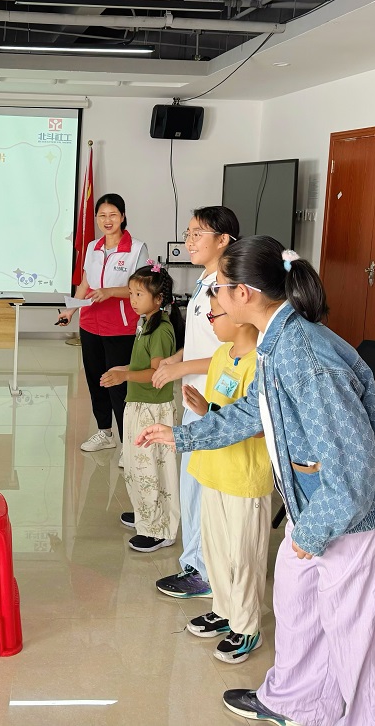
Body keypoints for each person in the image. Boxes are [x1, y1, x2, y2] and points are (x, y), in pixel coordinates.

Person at [136, 236, 375, 725]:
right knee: (298, 605)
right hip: (319, 503)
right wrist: (183, 436)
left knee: (364, 641)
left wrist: (311, 534)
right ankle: (298, 702)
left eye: (218, 288)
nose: (211, 298)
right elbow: (255, 410)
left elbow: (353, 472)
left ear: (244, 294)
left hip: (366, 512)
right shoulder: (276, 341)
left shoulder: (305, 355)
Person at [150, 206, 240, 599]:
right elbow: (203, 340)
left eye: (198, 234)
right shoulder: (206, 282)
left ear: (223, 240)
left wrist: (181, 367)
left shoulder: (228, 285)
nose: (189, 241)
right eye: (188, 233)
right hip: (196, 395)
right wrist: (176, 359)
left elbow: (232, 349)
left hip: (214, 398)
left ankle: (202, 572)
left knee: (201, 487)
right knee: (192, 485)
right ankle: (195, 563)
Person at [181, 293, 271, 665]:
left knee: (244, 556)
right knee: (216, 550)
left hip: (244, 477)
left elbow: (261, 425)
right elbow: (216, 415)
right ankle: (223, 609)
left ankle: (247, 626)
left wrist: (209, 411)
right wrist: (205, 411)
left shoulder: (262, 363)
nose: (210, 322)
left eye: (214, 315)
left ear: (238, 316)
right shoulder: (221, 356)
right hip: (213, 469)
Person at [57, 194, 149, 465]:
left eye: (113, 215)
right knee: (96, 381)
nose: (107, 221)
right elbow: (85, 282)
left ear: (122, 216)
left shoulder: (137, 249)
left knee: (118, 385)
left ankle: (128, 443)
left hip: (120, 326)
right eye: (102, 216)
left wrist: (110, 292)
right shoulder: (92, 247)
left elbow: (142, 287)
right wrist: (71, 310)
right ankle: (105, 433)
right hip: (90, 324)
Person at [100, 261, 184, 552]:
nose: (133, 300)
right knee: (136, 466)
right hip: (138, 404)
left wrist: (125, 376)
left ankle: (160, 529)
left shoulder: (161, 330)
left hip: (152, 409)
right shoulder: (146, 323)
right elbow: (141, 365)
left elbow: (157, 373)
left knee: (151, 469)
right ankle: (145, 513)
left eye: (139, 294)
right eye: (131, 293)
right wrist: (123, 369)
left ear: (158, 299)